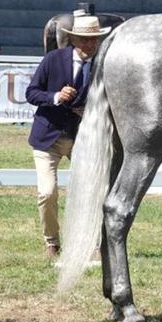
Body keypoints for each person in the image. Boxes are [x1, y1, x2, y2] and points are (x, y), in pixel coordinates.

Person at [26, 14, 110, 258]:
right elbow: (31, 93)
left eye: (94, 41)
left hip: (83, 138)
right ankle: (52, 242)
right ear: (73, 39)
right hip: (47, 138)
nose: (90, 45)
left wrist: (92, 109)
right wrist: (55, 97)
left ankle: (95, 244)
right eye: (85, 40)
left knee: (94, 190)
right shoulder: (53, 59)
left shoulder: (102, 65)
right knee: (47, 192)